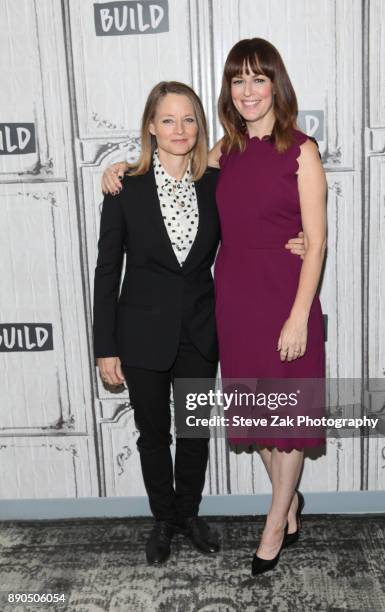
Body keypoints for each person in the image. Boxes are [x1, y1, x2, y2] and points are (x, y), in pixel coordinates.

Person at [210, 38, 327, 576]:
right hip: (235, 297)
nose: (248, 90)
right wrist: (117, 167)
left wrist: (300, 314)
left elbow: (317, 240)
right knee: (258, 418)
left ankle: (275, 521)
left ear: (276, 84)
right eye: (238, 80)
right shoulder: (222, 150)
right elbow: (168, 170)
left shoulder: (302, 150)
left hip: (285, 295)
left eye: (259, 78)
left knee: (291, 419)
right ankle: (292, 503)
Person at [93, 81, 222, 565]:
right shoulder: (126, 185)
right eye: (168, 119)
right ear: (151, 126)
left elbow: (250, 235)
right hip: (140, 334)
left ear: (199, 126)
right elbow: (108, 271)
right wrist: (105, 346)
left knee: (194, 432)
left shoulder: (215, 182)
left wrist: (295, 241)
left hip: (199, 331)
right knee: (153, 436)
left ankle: (189, 515)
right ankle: (163, 520)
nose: (179, 129)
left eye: (188, 119)